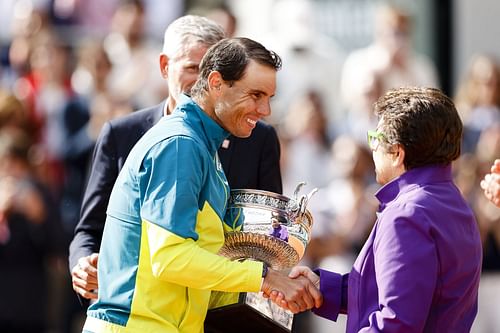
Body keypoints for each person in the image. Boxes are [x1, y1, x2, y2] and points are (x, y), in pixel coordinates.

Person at [82, 37, 321, 333]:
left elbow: (200, 269)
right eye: (256, 95)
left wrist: (274, 285)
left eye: (269, 97)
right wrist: (263, 277)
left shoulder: (199, 146)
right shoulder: (180, 145)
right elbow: (170, 260)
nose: (265, 110)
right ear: (216, 83)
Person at [69, 15, 282, 302]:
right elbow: (96, 229)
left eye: (212, 69)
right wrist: (84, 263)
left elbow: (268, 236)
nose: (203, 80)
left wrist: (264, 280)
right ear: (164, 66)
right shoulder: (129, 134)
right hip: (141, 309)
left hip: (218, 311)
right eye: (194, 67)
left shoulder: (257, 137)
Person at [270, 87, 483, 332]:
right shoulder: (454, 202)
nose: (371, 147)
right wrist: (322, 287)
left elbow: (397, 322)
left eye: (376, 138)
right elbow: (404, 290)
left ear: (397, 153)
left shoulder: (407, 214)